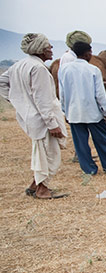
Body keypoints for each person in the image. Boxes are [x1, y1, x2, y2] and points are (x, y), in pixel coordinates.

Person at [0, 33, 69, 199]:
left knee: (41, 152)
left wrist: (19, 101)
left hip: (31, 117)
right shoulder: (38, 69)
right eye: (48, 47)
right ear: (40, 50)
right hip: (43, 120)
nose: (51, 50)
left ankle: (34, 185)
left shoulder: (19, 65)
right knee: (49, 154)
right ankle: (42, 189)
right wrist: (52, 124)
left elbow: (2, 82)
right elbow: (43, 100)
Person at [58, 41, 106, 175]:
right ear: (87, 53)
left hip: (74, 112)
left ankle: (89, 169)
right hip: (93, 112)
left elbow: (62, 93)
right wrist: (105, 112)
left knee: (80, 143)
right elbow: (99, 94)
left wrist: (65, 111)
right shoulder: (93, 70)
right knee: (102, 140)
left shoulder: (64, 70)